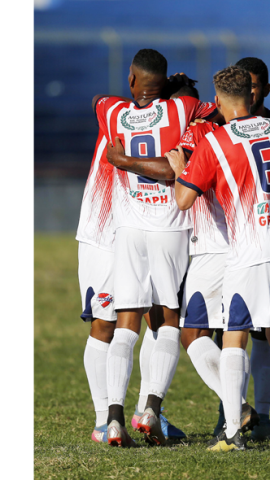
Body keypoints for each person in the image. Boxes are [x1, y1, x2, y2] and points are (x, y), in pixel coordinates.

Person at [166, 66, 270, 452]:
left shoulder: (215, 141)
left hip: (251, 248)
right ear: (253, 96)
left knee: (234, 336)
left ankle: (232, 431)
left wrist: (181, 168)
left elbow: (183, 200)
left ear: (218, 102)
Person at [99, 48, 218, 447]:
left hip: (130, 228)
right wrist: (175, 88)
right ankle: (150, 407)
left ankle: (113, 418)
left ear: (132, 80)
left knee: (126, 322)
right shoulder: (182, 109)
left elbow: (99, 101)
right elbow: (202, 103)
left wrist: (124, 159)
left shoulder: (113, 111)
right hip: (170, 226)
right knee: (168, 320)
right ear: (165, 83)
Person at [79, 78, 203, 446]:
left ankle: (142, 413)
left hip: (132, 226)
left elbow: (98, 97)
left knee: (146, 318)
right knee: (110, 321)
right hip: (103, 231)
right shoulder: (163, 114)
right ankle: (106, 418)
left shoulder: (121, 112)